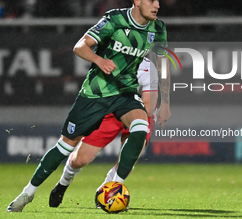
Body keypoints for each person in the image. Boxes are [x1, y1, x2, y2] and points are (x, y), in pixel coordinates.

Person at [6, 0, 170, 212]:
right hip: (95, 93)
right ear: (137, 1)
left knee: (141, 127)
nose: (157, 5)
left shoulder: (158, 28)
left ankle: (115, 187)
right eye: (152, 0)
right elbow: (80, 46)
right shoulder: (115, 19)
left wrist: (165, 101)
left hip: (124, 92)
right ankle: (27, 193)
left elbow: (163, 62)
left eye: (158, 1)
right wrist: (99, 60)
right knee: (66, 149)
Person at [48, 57, 159, 207]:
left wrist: (136, 122)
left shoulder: (147, 68)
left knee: (129, 158)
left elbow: (148, 105)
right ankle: (63, 183)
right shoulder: (110, 59)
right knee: (80, 159)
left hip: (139, 113)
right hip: (111, 112)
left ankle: (106, 192)